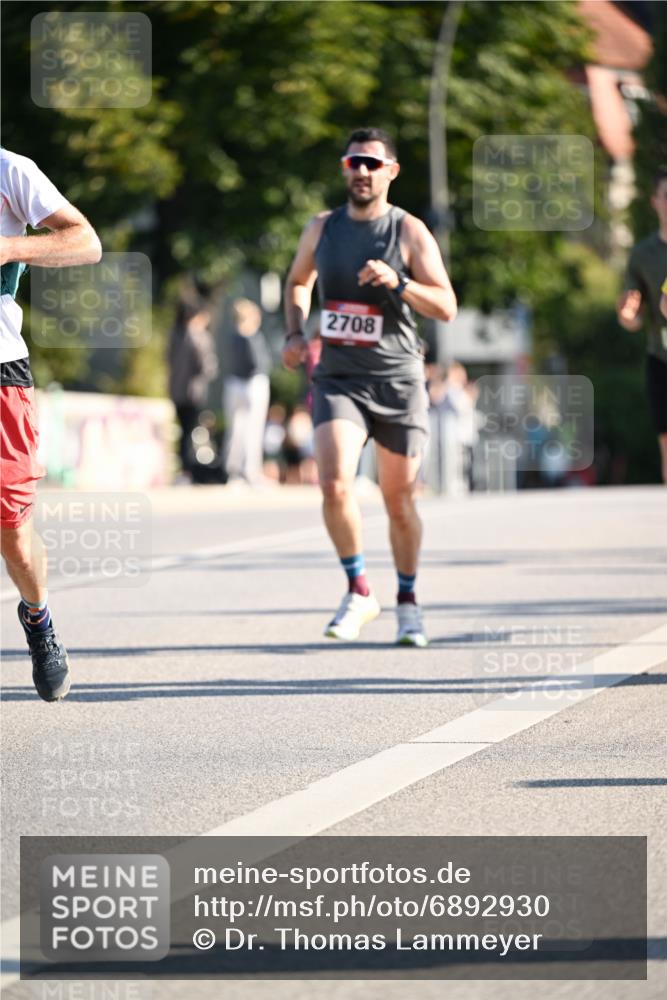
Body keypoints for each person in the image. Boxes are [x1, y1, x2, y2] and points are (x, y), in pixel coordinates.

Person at [283, 127, 457, 645]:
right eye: (352, 162)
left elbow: (446, 306)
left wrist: (400, 283)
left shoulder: (409, 232)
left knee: (398, 500)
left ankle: (407, 600)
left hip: (398, 379)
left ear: (391, 172)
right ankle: (359, 589)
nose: (360, 171)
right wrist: (295, 331)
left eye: (370, 164)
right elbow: (298, 281)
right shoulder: (322, 227)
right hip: (339, 376)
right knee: (334, 482)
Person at [0, 148, 102, 701]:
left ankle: (37, 618)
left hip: (1, 370)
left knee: (13, 532)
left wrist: (7, 248)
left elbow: (86, 242)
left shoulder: (10, 170)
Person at [616, 167, 667, 483]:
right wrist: (628, 317)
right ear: (655, 201)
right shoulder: (643, 254)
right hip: (660, 355)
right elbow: (633, 312)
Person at [167, 288, 218, 481]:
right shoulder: (198, 337)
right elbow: (207, 367)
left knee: (183, 431)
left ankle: (183, 470)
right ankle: (188, 470)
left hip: (176, 390)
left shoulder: (175, 335)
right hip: (193, 391)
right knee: (189, 431)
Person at [223, 298, 271, 485]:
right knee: (251, 430)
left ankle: (235, 471)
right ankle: (249, 471)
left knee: (236, 429)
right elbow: (258, 363)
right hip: (252, 384)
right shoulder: (252, 337)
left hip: (234, 384)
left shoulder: (232, 336)